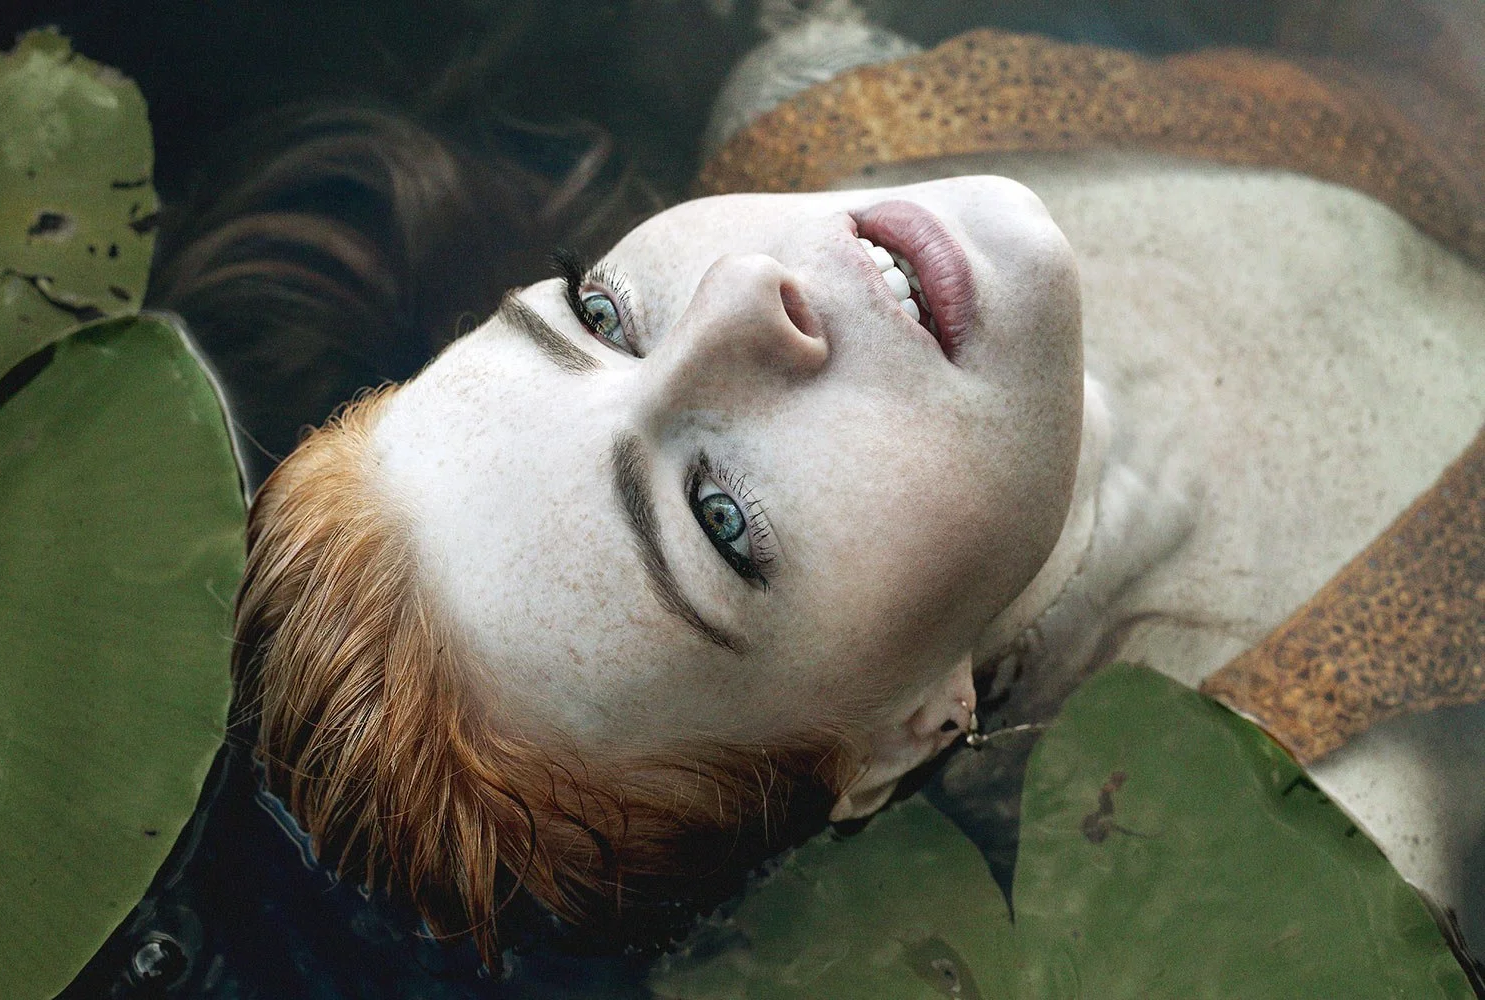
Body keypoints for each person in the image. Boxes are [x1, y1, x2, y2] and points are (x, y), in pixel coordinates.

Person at [215, 26, 1485, 972]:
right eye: (720, 519)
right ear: (892, 741)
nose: (736, 295)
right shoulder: (1354, 840)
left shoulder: (829, 103)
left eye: (598, 314)